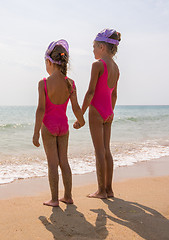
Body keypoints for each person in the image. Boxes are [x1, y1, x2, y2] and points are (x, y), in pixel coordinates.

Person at [33, 39, 85, 207]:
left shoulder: (44, 84)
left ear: (49, 62)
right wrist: (81, 120)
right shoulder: (70, 83)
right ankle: (68, 196)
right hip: (64, 127)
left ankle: (54, 199)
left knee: (52, 164)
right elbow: (76, 107)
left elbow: (41, 110)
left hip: (48, 127)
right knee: (64, 162)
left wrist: (35, 133)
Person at [75, 29, 121, 199]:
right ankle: (109, 189)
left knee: (99, 152)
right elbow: (114, 94)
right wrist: (110, 111)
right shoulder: (116, 68)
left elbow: (90, 93)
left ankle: (101, 190)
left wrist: (80, 115)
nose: (92, 50)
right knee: (107, 150)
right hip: (108, 111)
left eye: (94, 47)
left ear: (102, 47)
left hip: (96, 111)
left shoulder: (97, 65)